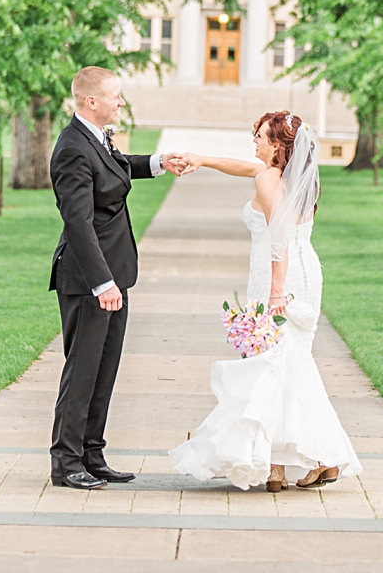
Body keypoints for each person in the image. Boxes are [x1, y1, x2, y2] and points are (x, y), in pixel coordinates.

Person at [169, 111, 362, 491]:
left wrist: (275, 292)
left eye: (258, 136)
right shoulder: (290, 177)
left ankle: (318, 456)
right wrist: (203, 159)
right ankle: (282, 464)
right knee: (282, 365)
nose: (253, 141)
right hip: (303, 272)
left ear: (276, 145)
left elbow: (278, 239)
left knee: (278, 364)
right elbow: (248, 169)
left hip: (278, 276)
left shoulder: (268, 179)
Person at [48, 66, 185, 490]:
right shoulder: (72, 148)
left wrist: (158, 163)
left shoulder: (95, 138)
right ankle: (66, 462)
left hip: (114, 273)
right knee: (82, 370)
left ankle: (92, 453)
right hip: (90, 279)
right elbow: (78, 222)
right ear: (92, 101)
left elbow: (114, 167)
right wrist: (102, 282)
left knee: (104, 369)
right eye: (116, 96)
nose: (121, 102)